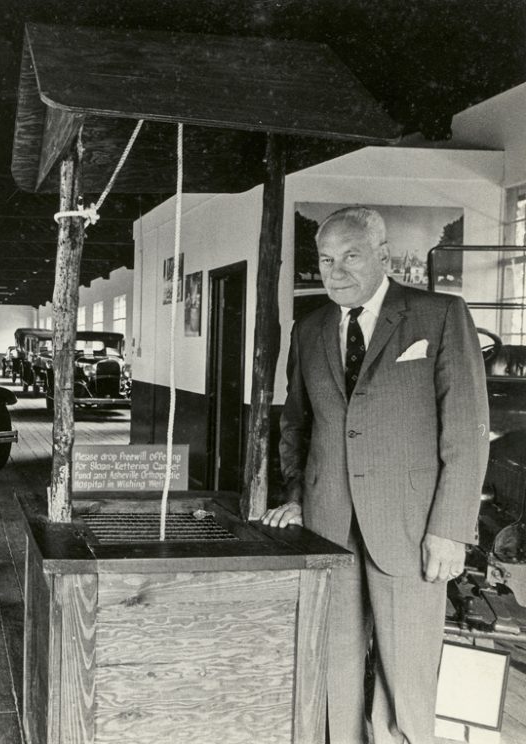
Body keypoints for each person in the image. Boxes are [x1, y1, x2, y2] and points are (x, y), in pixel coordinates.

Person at [262, 207, 489, 743]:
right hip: (328, 522)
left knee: (406, 672)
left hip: (412, 527)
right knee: (334, 663)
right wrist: (297, 495)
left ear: (384, 258)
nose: (335, 270)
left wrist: (451, 528)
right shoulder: (311, 327)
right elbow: (296, 423)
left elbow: (466, 429)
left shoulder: (438, 314)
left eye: (351, 256)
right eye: (325, 259)